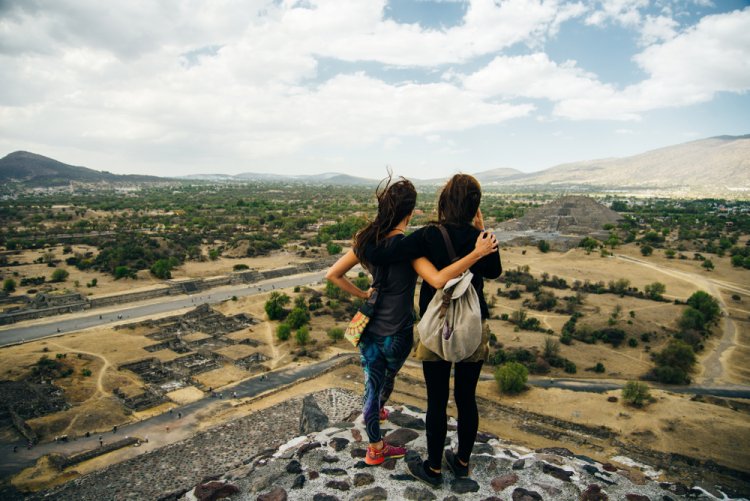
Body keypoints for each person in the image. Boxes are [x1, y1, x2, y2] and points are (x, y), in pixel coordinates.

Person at [326, 174, 497, 467]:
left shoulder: (400, 239)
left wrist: (363, 287)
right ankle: (461, 462)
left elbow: (355, 262)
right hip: (438, 327)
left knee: (419, 395)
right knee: (463, 398)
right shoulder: (463, 242)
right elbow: (473, 273)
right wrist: (479, 244)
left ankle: (411, 458)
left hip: (400, 324)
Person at [392, 174, 501, 487]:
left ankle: (434, 469)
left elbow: (390, 251)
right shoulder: (481, 240)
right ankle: (463, 463)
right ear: (474, 206)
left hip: (436, 326)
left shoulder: (426, 236)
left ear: (444, 202)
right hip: (473, 325)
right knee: (467, 397)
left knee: (436, 400)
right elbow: (493, 271)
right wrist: (482, 233)